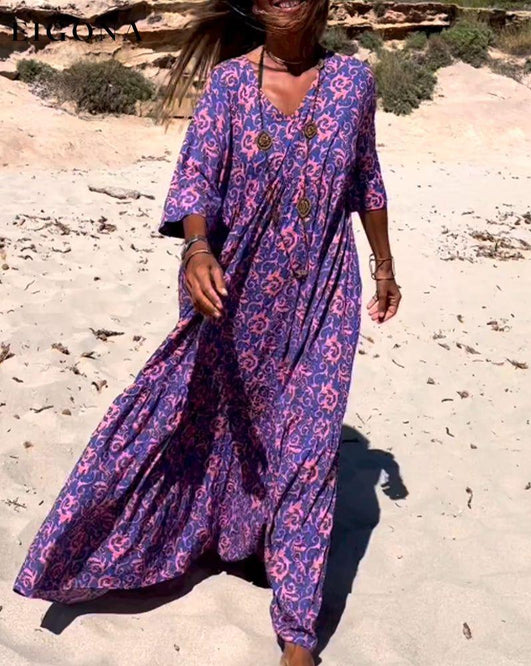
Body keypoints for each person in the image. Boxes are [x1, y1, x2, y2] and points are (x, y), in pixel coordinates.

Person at [12, 1, 401, 664]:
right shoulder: (229, 84)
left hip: (320, 293)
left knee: (309, 448)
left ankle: (298, 635)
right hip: (231, 285)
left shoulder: (354, 82)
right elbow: (195, 178)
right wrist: (196, 249)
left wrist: (384, 264)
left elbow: (365, 176)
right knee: (211, 421)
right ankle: (212, 537)